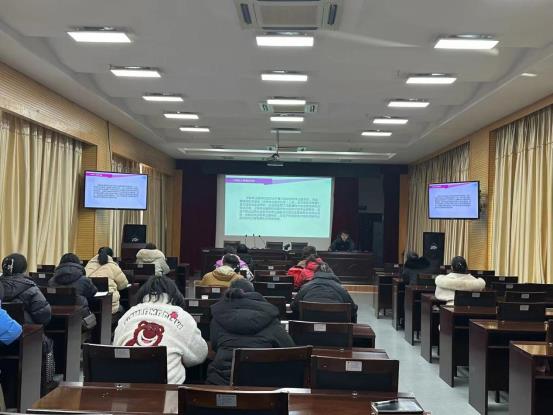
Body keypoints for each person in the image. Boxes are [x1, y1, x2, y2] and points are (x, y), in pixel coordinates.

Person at [113, 275, 208, 384]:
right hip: (166, 390)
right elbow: (200, 355)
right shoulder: (182, 316)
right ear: (176, 295)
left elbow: (116, 347)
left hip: (125, 388)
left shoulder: (127, 315)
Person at [206, 279, 295, 385]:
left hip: (222, 381)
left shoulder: (219, 315)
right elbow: (289, 348)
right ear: (253, 293)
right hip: (263, 382)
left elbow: (215, 345)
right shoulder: (269, 316)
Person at [1, 254, 55, 392]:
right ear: (24, 269)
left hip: (3, 343)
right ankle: (46, 385)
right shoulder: (31, 288)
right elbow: (44, 316)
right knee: (47, 343)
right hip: (25, 339)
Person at [291, 261, 358, 323]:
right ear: (332, 274)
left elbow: (294, 306)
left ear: (315, 274)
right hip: (336, 330)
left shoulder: (306, 287)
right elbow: (353, 310)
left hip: (307, 329)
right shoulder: (340, 289)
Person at [49, 253, 98, 327]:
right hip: (79, 320)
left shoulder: (51, 281)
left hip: (56, 321)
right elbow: (93, 292)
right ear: (78, 263)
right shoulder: (84, 280)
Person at [85, 247, 128, 314]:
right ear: (111, 256)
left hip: (90, 305)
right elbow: (123, 285)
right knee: (123, 308)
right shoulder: (113, 266)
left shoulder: (88, 265)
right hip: (110, 305)